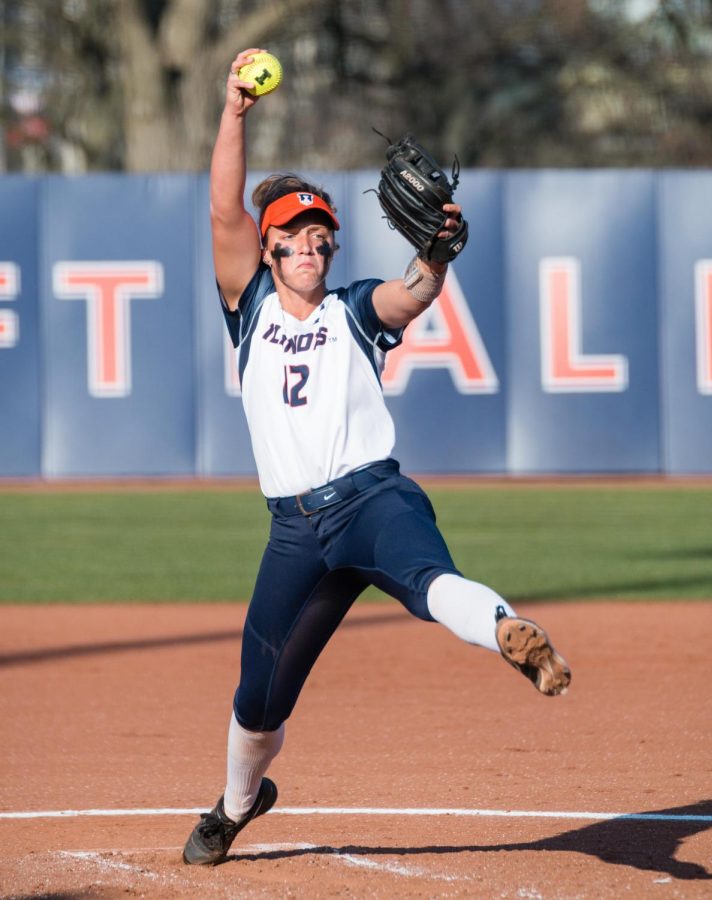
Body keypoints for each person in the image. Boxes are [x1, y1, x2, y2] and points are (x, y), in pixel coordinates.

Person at [182, 48, 571, 867]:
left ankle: (509, 632)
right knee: (258, 698)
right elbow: (222, 212)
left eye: (320, 236)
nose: (310, 247)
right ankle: (235, 804)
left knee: (431, 582)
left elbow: (412, 293)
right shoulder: (250, 307)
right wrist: (233, 112)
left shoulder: (353, 310)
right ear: (268, 249)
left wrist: (436, 256)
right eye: (294, 236)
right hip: (294, 534)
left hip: (372, 501)